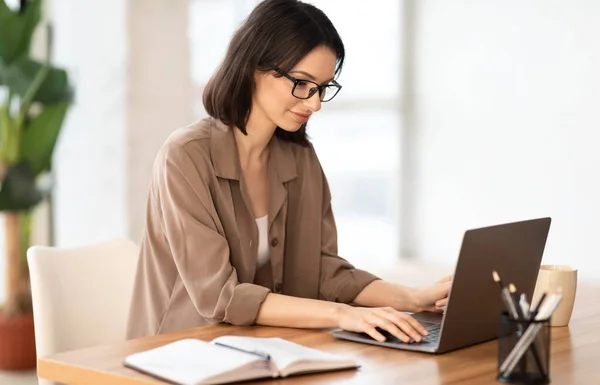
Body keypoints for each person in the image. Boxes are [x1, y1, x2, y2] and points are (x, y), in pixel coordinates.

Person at [126, 0, 451, 344]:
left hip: (261, 350)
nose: (314, 103)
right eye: (302, 83)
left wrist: (413, 298)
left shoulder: (300, 157)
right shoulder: (185, 156)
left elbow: (324, 271)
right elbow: (220, 296)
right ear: (253, 65)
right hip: (175, 354)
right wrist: (343, 314)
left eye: (324, 87)